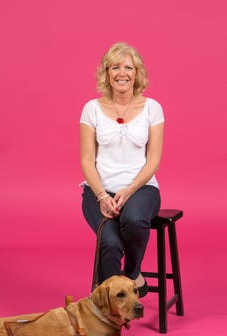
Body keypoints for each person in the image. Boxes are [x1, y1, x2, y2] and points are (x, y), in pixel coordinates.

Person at [80, 42, 164, 297]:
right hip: (99, 190)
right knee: (110, 242)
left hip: (142, 188)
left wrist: (129, 191)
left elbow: (153, 160)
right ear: (106, 73)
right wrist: (102, 196)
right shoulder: (91, 109)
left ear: (137, 73)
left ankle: (130, 275)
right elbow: (86, 160)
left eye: (128, 67)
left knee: (135, 219)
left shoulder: (152, 108)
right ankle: (109, 314)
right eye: (115, 67)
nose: (122, 73)